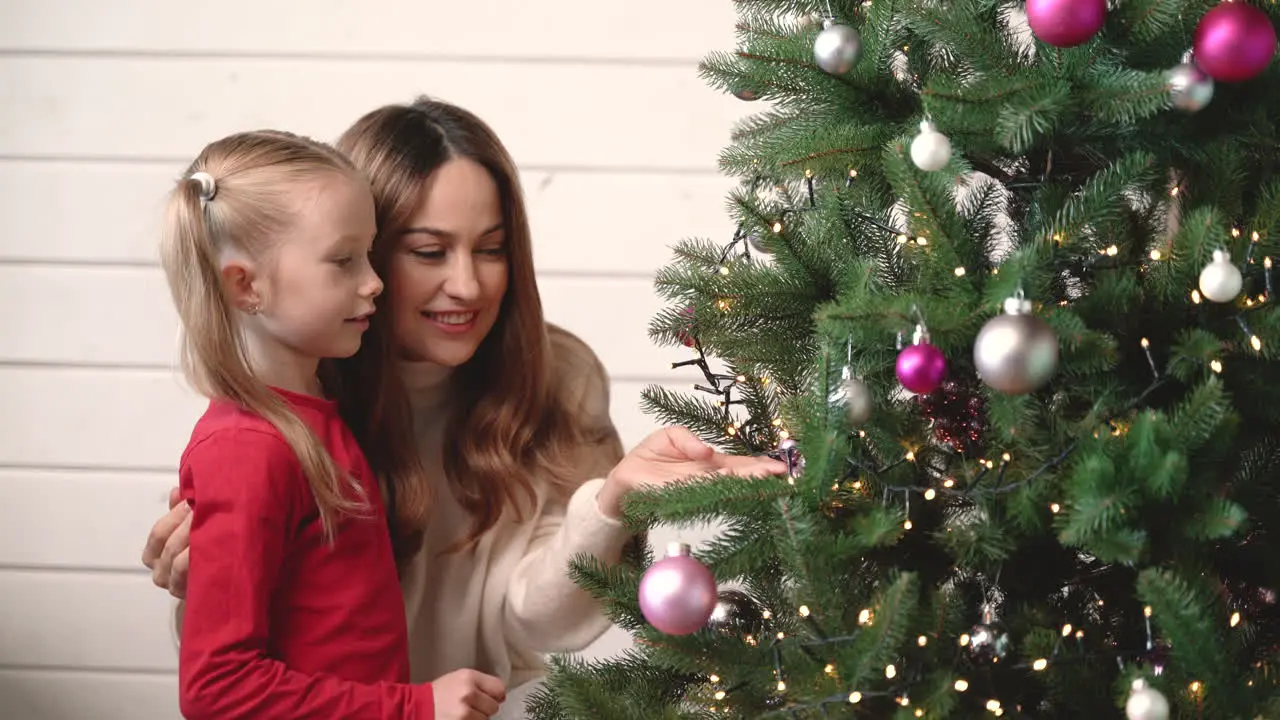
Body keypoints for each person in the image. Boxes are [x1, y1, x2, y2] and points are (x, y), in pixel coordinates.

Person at [142, 97, 788, 719]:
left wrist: (610, 501)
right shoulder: (290, 403)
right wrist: (202, 575)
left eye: (491, 248)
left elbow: (542, 621)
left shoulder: (554, 376)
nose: (468, 285)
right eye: (428, 252)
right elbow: (225, 673)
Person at [159, 129, 445, 718]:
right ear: (247, 285)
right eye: (344, 260)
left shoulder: (312, 413)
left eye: (369, 254)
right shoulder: (247, 449)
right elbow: (217, 688)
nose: (374, 281)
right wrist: (416, 709)